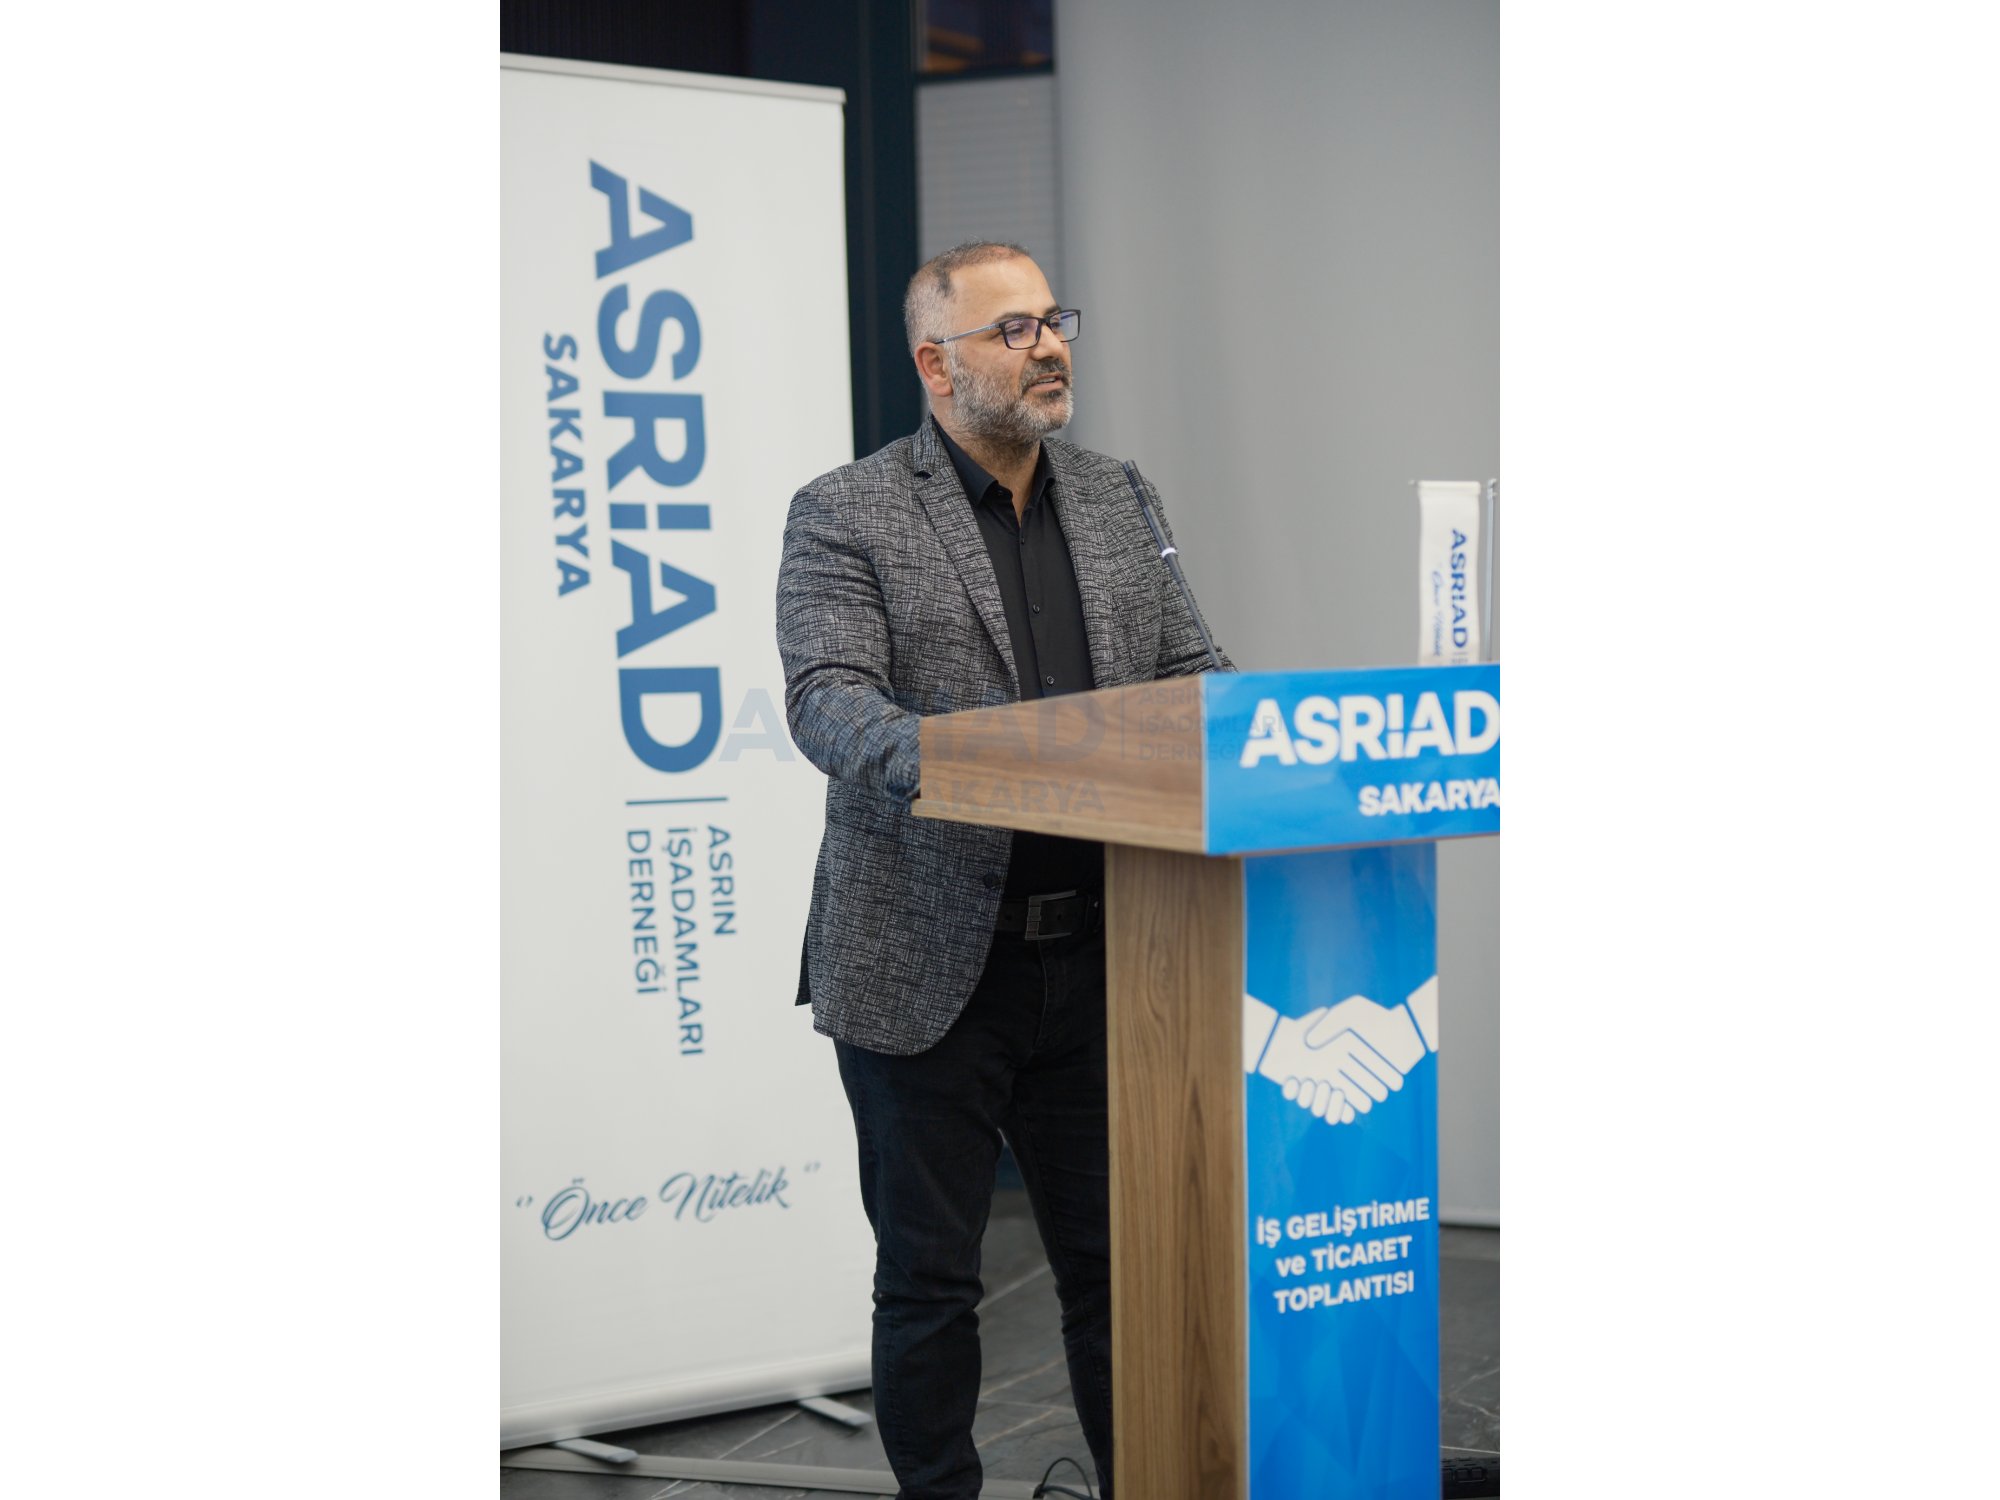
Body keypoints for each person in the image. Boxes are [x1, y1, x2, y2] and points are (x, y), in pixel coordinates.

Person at [775, 241, 1232, 1500]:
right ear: (937, 365)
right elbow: (828, 700)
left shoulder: (1118, 495)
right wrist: (981, 767)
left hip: (1107, 953)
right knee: (928, 1283)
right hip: (923, 959)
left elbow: (1191, 672)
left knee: (1118, 1272)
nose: (1049, 346)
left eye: (1052, 320)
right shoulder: (846, 509)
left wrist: (1258, 735)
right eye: (1013, 329)